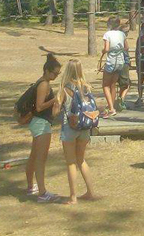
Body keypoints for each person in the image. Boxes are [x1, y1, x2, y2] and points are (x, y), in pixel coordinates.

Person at [54, 59, 97, 205]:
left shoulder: (65, 89)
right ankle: (91, 192)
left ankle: (73, 197)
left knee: (71, 163)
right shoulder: (86, 87)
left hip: (69, 127)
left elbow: (56, 110)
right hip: (84, 126)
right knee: (81, 160)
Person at [25, 54, 61, 203]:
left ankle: (30, 187)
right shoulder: (44, 84)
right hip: (41, 123)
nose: (56, 76)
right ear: (46, 70)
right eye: (54, 73)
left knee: (34, 156)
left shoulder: (41, 83)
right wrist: (55, 99)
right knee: (41, 159)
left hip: (39, 123)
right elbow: (39, 107)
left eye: (58, 74)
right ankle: (42, 192)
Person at [99, 16, 127, 118]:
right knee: (113, 85)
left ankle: (111, 109)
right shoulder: (122, 34)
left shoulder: (107, 34)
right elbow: (126, 47)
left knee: (105, 85)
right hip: (120, 61)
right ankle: (110, 106)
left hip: (111, 61)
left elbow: (106, 49)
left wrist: (103, 52)